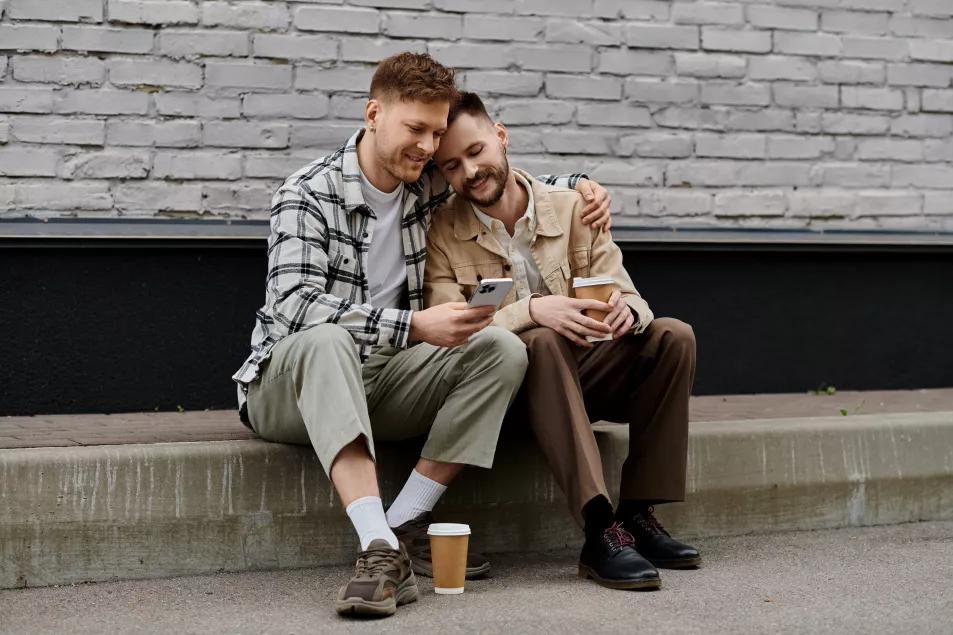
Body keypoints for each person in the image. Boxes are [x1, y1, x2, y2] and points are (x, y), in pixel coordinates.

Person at [231, 55, 614, 617]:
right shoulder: (306, 194)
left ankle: (402, 527)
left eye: (436, 133)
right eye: (416, 129)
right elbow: (296, 310)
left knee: (503, 348)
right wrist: (412, 324)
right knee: (327, 339)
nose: (428, 146)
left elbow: (490, 176)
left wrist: (578, 185)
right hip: (289, 387)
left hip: (386, 378)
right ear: (373, 114)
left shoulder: (425, 183)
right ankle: (376, 547)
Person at [424, 92, 700, 592]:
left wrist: (625, 310)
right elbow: (448, 331)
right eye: (452, 165)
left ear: (501, 137)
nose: (470, 171)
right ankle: (599, 529)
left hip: (583, 378)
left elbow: (632, 294)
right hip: (505, 396)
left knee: (672, 336)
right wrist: (527, 311)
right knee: (543, 341)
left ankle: (637, 515)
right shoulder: (442, 231)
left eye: (477, 151)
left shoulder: (574, 207)